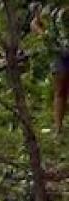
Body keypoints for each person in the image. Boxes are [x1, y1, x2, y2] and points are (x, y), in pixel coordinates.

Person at [33, 4, 69, 134]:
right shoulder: (50, 8)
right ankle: (58, 128)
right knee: (60, 90)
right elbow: (35, 24)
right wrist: (45, 36)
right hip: (58, 53)